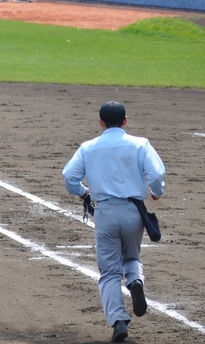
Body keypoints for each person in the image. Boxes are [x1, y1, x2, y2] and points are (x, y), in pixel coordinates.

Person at [62, 101, 166, 343]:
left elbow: (69, 176)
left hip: (106, 213)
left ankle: (119, 321)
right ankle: (135, 281)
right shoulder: (141, 144)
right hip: (134, 212)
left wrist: (82, 192)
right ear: (125, 121)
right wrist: (156, 191)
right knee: (131, 257)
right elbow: (157, 174)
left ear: (100, 122)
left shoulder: (88, 147)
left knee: (109, 271)